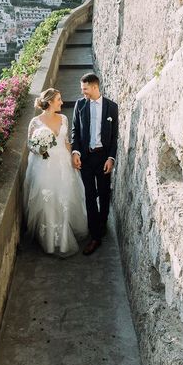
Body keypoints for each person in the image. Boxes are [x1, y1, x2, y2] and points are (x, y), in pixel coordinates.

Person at [24, 87, 88, 257]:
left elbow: (66, 142)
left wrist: (75, 156)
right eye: (59, 99)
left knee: (65, 199)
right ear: (50, 101)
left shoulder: (64, 119)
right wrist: (40, 149)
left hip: (63, 165)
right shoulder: (35, 122)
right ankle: (50, 242)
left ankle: (65, 239)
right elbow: (30, 145)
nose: (61, 102)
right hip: (44, 166)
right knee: (48, 202)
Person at [71, 73, 118, 256]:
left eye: (85, 89)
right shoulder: (80, 105)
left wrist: (111, 158)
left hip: (104, 158)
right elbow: (75, 131)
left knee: (105, 194)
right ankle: (95, 236)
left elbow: (114, 137)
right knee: (90, 196)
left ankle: (102, 223)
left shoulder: (112, 107)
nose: (82, 92)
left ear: (95, 87)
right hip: (87, 158)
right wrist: (75, 152)